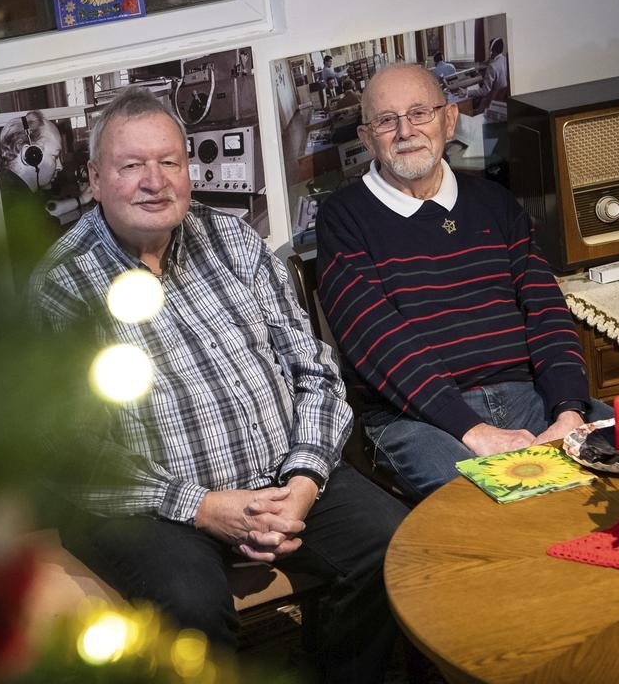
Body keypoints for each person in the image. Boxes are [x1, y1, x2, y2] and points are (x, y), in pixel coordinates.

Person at [29, 87, 408, 682]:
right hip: (151, 505)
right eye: (132, 166)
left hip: (284, 475)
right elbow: (71, 454)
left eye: (170, 162)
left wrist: (304, 481)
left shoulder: (234, 240)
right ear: (95, 179)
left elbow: (315, 369)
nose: (155, 181)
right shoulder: (62, 287)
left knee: (394, 546)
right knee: (190, 606)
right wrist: (204, 508)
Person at [315, 63, 609, 500]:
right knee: (486, 505)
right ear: (366, 138)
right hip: (418, 418)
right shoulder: (344, 217)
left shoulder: (494, 202)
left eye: (419, 113)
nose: (405, 131)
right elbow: (376, 341)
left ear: (448, 119)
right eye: (386, 120)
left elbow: (546, 312)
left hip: (529, 396)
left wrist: (567, 412)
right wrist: (473, 431)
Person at [475, 37, 509, 111]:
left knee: (478, 103)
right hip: (504, 100)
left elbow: (484, 91)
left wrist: (467, 92)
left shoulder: (492, 66)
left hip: (493, 101)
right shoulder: (506, 60)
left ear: (492, 50)